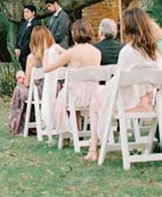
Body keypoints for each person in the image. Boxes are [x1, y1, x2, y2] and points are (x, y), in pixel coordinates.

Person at [87, 8, 162, 161]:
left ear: (127, 28)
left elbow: (118, 83)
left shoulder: (127, 52)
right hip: (149, 104)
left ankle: (93, 149)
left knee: (95, 99)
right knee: (97, 97)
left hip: (128, 104)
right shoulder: (154, 53)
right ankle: (93, 148)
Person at [44, 19, 101, 136]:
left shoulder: (71, 52)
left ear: (74, 34)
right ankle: (78, 131)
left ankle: (66, 132)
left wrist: (45, 54)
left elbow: (47, 68)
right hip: (94, 94)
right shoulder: (97, 52)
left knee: (62, 98)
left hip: (75, 96)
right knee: (72, 91)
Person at [8, 26, 56, 135]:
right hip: (53, 91)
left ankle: (17, 123)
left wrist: (21, 76)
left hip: (38, 93)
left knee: (19, 89)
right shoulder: (55, 56)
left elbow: (27, 83)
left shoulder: (32, 58)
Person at [14, 5, 39, 71]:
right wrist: (16, 48)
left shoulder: (36, 24)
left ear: (33, 13)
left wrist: (22, 50)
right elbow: (18, 36)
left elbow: (32, 39)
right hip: (21, 53)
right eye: (24, 12)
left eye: (27, 12)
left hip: (28, 52)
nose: (25, 14)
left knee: (29, 71)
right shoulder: (23, 24)